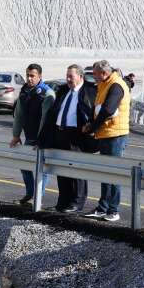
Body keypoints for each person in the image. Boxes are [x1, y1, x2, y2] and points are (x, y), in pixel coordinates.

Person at [82, 60, 131, 222]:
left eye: (94, 74)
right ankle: (103, 208)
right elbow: (97, 107)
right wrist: (92, 123)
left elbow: (108, 110)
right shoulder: (104, 84)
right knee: (105, 173)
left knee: (114, 174)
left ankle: (113, 210)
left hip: (115, 135)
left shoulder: (116, 85)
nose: (93, 77)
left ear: (104, 73)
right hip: (106, 134)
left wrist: (93, 127)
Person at [9, 63, 58, 204]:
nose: (29, 79)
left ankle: (38, 197)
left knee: (41, 170)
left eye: (32, 76)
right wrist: (16, 135)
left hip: (43, 139)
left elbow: (45, 119)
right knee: (24, 165)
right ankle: (30, 194)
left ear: (40, 76)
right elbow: (19, 114)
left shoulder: (46, 93)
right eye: (28, 75)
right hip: (29, 137)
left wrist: (40, 140)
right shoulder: (24, 91)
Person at [50, 64, 94, 212]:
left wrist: (90, 129)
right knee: (62, 170)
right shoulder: (63, 90)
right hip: (59, 133)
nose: (68, 79)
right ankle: (63, 201)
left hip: (76, 136)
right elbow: (52, 115)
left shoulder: (88, 91)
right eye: (67, 76)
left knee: (76, 170)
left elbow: (93, 113)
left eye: (71, 76)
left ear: (80, 77)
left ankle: (77, 202)